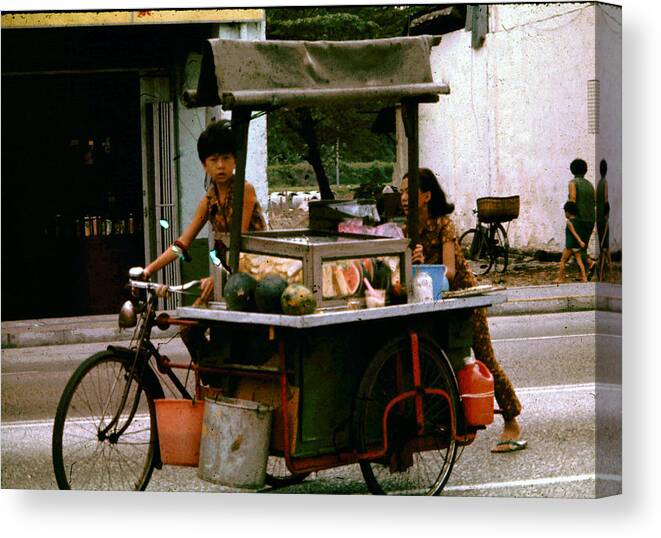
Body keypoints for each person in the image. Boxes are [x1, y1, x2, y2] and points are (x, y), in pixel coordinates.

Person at [400, 168, 526, 453]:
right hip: (432, 300)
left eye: (410, 192)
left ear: (427, 196)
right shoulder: (407, 228)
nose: (404, 198)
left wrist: (421, 266)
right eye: (402, 192)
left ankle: (512, 420)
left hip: (464, 299)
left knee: (485, 358)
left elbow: (451, 271)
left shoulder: (445, 224)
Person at [143, 119, 266, 358]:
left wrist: (216, 277)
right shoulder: (209, 201)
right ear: (204, 165)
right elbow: (182, 244)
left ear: (235, 160)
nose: (220, 165)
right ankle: (213, 378)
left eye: (226, 158)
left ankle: (224, 377)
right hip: (228, 275)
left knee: (229, 334)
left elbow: (237, 245)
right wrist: (149, 270)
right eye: (213, 160)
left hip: (254, 270)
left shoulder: (245, 190)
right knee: (189, 328)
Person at [567, 158, 596, 277]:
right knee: (582, 246)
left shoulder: (573, 183)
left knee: (576, 247)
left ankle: (590, 263)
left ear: (572, 170)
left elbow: (573, 199)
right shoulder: (590, 185)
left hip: (578, 219)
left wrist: (569, 215)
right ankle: (582, 274)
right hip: (590, 219)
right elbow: (594, 202)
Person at [554, 201, 589, 283]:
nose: (565, 214)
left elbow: (574, 233)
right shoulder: (578, 221)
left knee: (563, 261)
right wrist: (580, 242)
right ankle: (584, 277)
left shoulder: (569, 222)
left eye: (565, 212)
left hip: (570, 245)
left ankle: (560, 278)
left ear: (568, 212)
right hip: (576, 246)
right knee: (579, 261)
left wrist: (580, 241)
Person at [596, 159, 612, 281]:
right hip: (604, 216)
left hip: (598, 217)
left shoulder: (598, 184)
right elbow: (606, 199)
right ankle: (605, 274)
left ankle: (603, 273)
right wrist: (607, 214)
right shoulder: (605, 182)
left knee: (603, 247)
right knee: (605, 248)